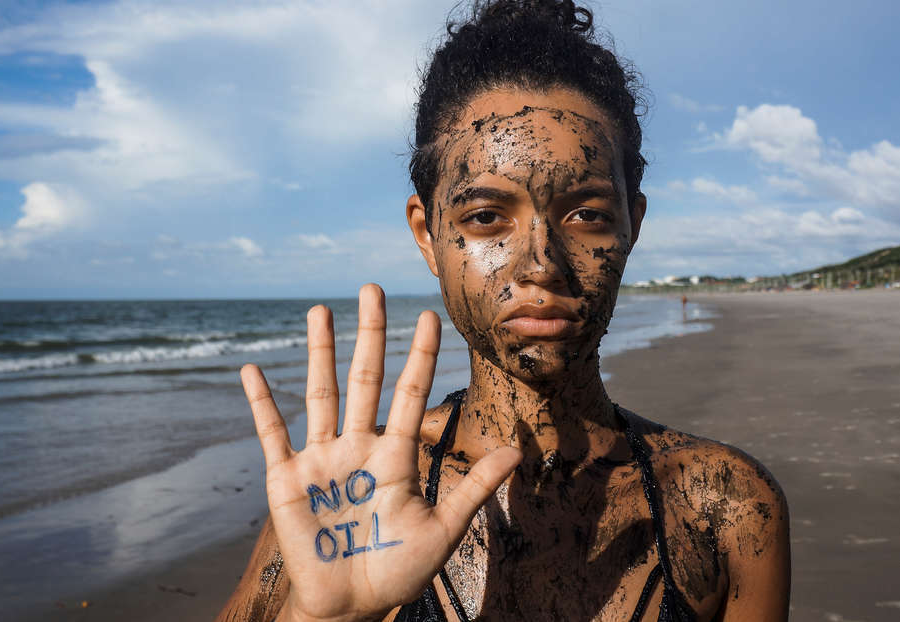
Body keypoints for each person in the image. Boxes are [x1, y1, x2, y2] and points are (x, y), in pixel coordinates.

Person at [219, 1, 790, 620]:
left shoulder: (725, 506)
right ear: (427, 233)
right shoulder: (348, 501)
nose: (541, 261)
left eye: (587, 214)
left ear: (633, 224)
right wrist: (321, 616)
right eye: (487, 217)